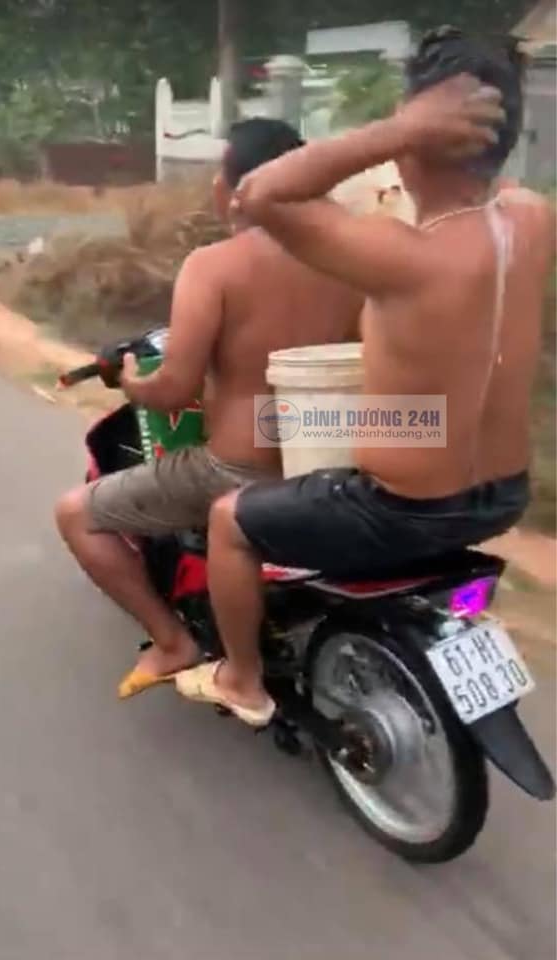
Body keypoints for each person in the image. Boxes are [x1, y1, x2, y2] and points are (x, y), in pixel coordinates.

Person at [175, 29, 556, 726]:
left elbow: (259, 194)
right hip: (502, 494)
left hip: (403, 511)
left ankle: (241, 679)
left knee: (229, 519)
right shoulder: (532, 219)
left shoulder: (405, 256)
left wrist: (399, 129)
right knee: (308, 420)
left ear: (420, 139)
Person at [55, 117, 363, 698]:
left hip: (242, 469)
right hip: (340, 454)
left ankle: (173, 643)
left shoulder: (214, 265)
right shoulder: (358, 253)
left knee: (76, 514)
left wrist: (131, 383)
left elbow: (174, 390)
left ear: (232, 188)